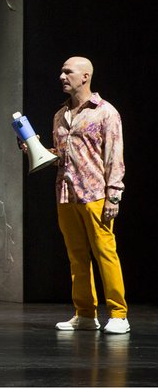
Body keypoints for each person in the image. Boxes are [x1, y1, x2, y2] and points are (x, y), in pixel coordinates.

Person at [49, 56, 129, 334]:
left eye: (67, 72)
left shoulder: (105, 112)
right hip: (66, 195)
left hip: (95, 194)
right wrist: (35, 150)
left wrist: (113, 195)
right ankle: (84, 313)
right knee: (76, 256)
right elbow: (62, 155)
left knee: (105, 253)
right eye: (61, 71)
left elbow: (114, 157)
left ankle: (119, 314)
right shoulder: (60, 115)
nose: (62, 76)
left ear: (85, 76)